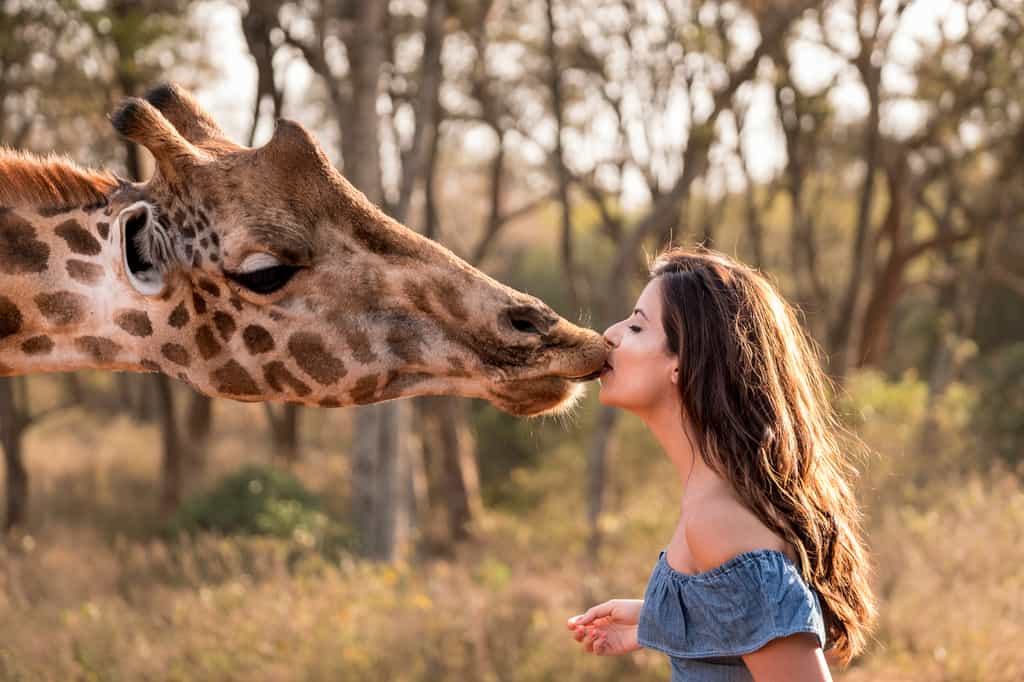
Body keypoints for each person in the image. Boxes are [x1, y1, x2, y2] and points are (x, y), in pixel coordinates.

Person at [567, 247, 875, 681]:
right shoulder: (714, 496)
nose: (611, 334)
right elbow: (739, 622)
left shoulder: (717, 518)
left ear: (684, 361)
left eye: (637, 325)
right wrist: (654, 621)